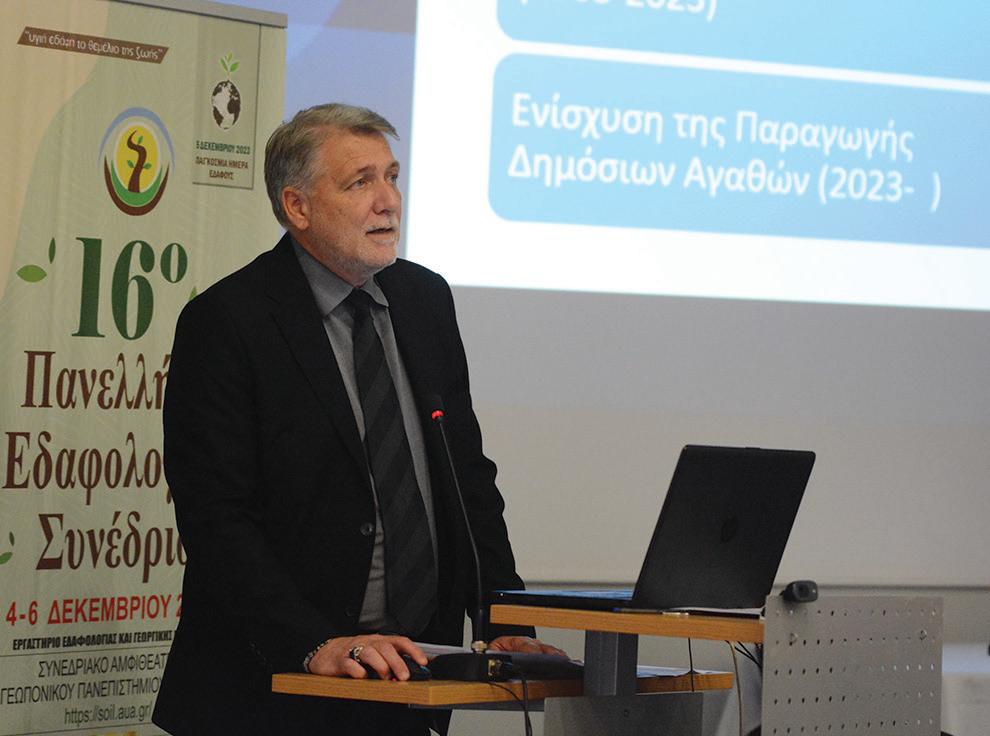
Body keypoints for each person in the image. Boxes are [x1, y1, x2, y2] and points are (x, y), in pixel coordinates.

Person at [152, 103, 563, 735]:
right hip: (271, 689)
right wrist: (313, 643)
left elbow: (467, 481)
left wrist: (504, 623)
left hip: (408, 674)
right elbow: (216, 517)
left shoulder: (424, 300)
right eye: (360, 182)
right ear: (297, 206)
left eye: (392, 177)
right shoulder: (228, 321)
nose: (388, 201)